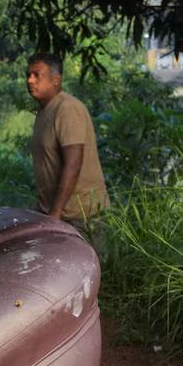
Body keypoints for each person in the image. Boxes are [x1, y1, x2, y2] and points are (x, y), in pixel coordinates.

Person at [25, 52, 110, 239]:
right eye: (28, 75)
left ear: (56, 80)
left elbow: (73, 163)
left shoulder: (67, 109)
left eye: (37, 75)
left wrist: (55, 213)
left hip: (81, 216)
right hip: (57, 212)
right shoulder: (44, 111)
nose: (30, 80)